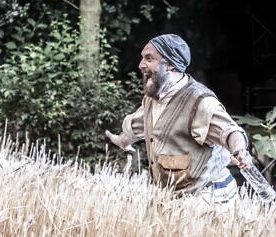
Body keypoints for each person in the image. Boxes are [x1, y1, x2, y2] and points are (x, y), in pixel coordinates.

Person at [105, 34, 253, 208]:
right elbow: (137, 127)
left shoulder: (199, 102)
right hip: (174, 201)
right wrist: (121, 140)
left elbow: (230, 131)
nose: (140, 65)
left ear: (170, 64)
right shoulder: (152, 100)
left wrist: (239, 151)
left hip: (209, 200)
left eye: (149, 58)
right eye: (142, 58)